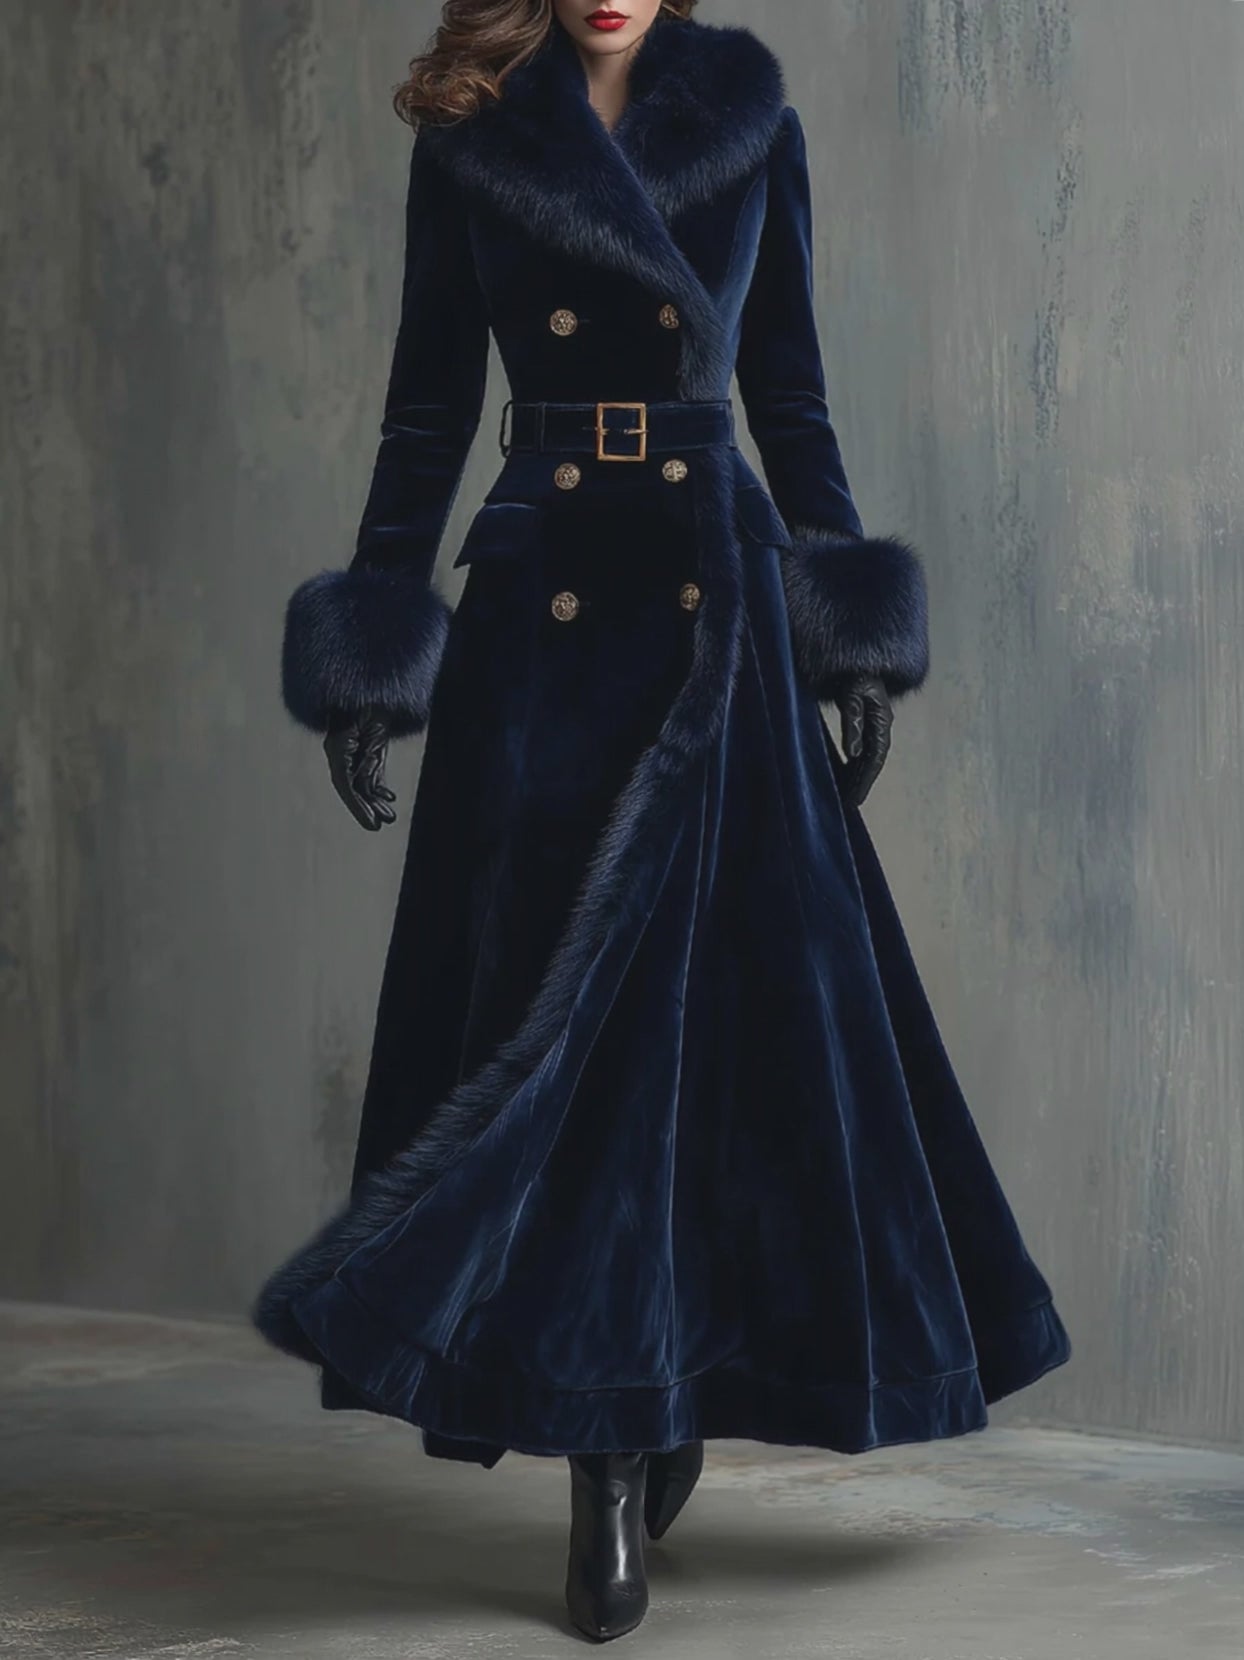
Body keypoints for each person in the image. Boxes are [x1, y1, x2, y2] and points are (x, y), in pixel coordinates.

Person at [252, 0, 1072, 1642]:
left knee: (718, 1037)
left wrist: (850, 635)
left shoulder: (751, 119)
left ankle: (649, 1408)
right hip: (542, 614)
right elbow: (426, 412)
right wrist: (377, 651)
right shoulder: (475, 133)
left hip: (721, 615)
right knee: (559, 1032)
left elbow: (794, 396)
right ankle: (612, 1445)